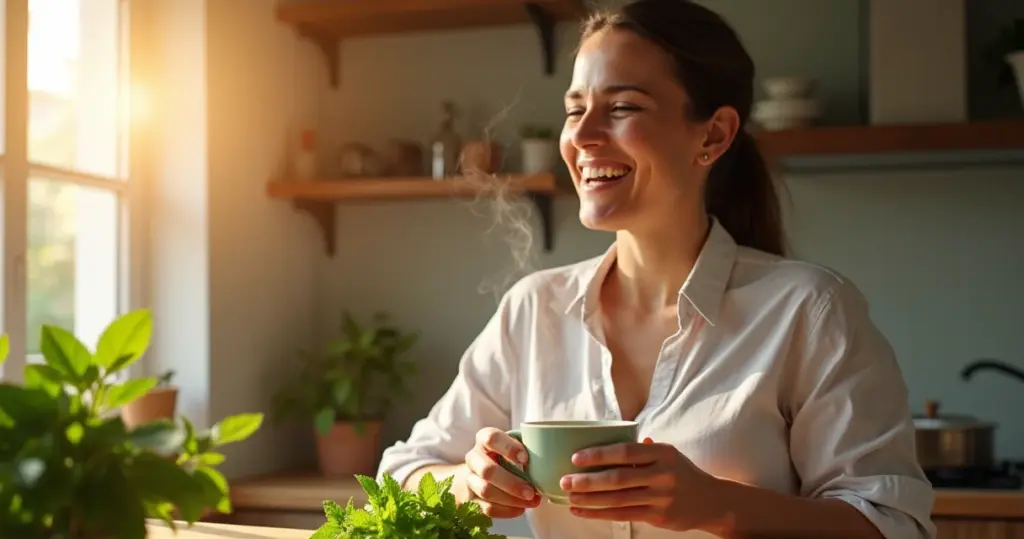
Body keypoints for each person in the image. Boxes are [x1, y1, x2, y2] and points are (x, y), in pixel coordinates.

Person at [378, 0, 935, 537]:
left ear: (713, 135)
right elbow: (403, 475)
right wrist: (468, 483)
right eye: (575, 109)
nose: (582, 137)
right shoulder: (535, 308)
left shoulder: (808, 309)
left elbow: (890, 523)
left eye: (622, 108)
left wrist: (715, 505)